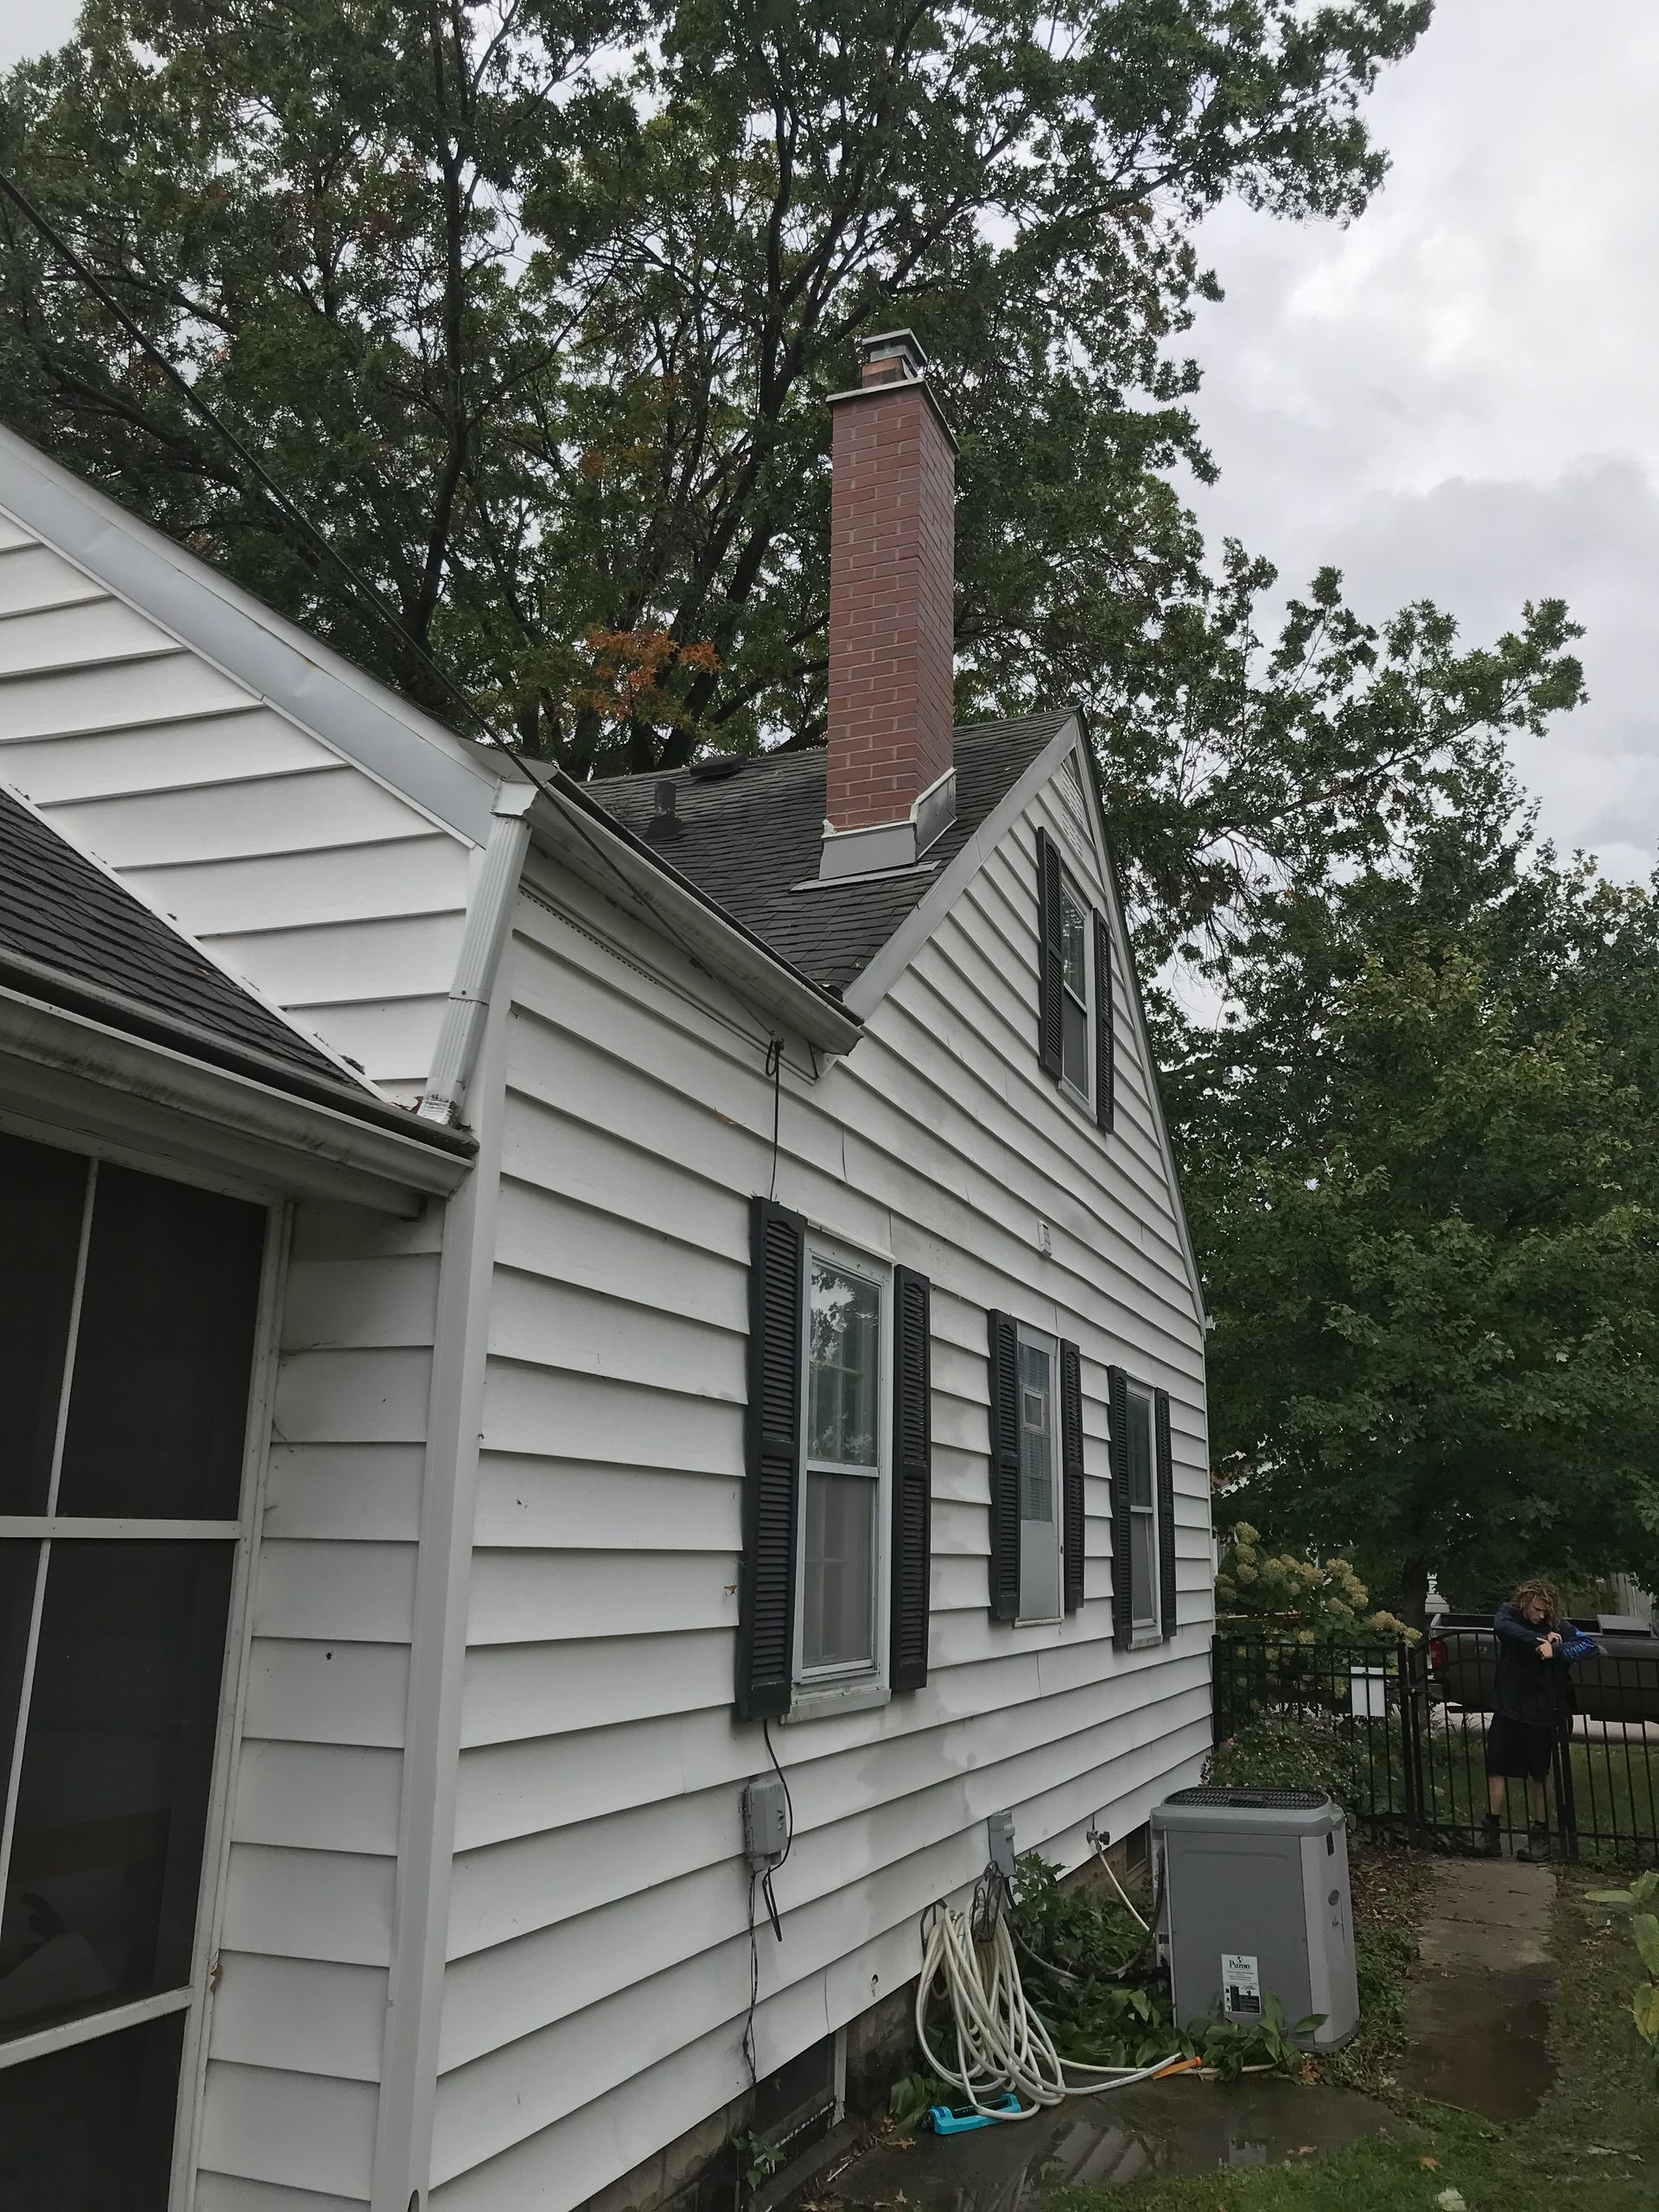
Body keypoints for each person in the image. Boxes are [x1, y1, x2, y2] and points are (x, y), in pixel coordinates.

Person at [1479, 1578, 1575, 1861]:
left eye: (1546, 1611)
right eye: (1536, 1609)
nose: (1541, 1616)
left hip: (1540, 1712)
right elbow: (1501, 1627)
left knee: (1539, 1774)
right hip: (1508, 1707)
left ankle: (1541, 1835)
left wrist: (1556, 1649)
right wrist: (1538, 1640)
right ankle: (1490, 1833)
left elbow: (1587, 1645)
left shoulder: (1558, 1626)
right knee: (1495, 1766)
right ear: (1525, 1602)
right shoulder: (1509, 1614)